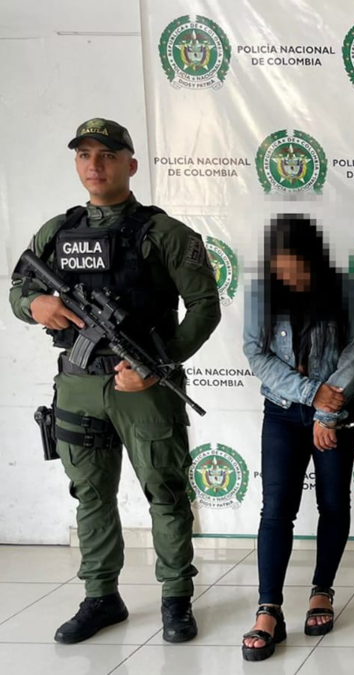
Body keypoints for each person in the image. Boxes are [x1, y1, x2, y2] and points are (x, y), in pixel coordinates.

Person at [7, 118, 221, 643]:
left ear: (131, 163)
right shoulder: (57, 231)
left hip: (144, 385)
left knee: (166, 492)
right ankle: (101, 597)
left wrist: (158, 365)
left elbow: (204, 306)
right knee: (91, 494)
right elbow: (18, 288)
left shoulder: (166, 233)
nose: (94, 165)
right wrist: (35, 304)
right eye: (84, 155)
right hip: (78, 384)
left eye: (106, 155)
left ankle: (176, 598)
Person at [239, 214, 354, 661]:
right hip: (281, 412)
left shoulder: (348, 291)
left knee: (333, 503)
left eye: (298, 268)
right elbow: (255, 353)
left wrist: (326, 413)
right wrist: (311, 393)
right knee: (277, 509)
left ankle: (322, 591)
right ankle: (268, 609)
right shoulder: (260, 293)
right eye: (281, 269)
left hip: (337, 414)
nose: (290, 278)